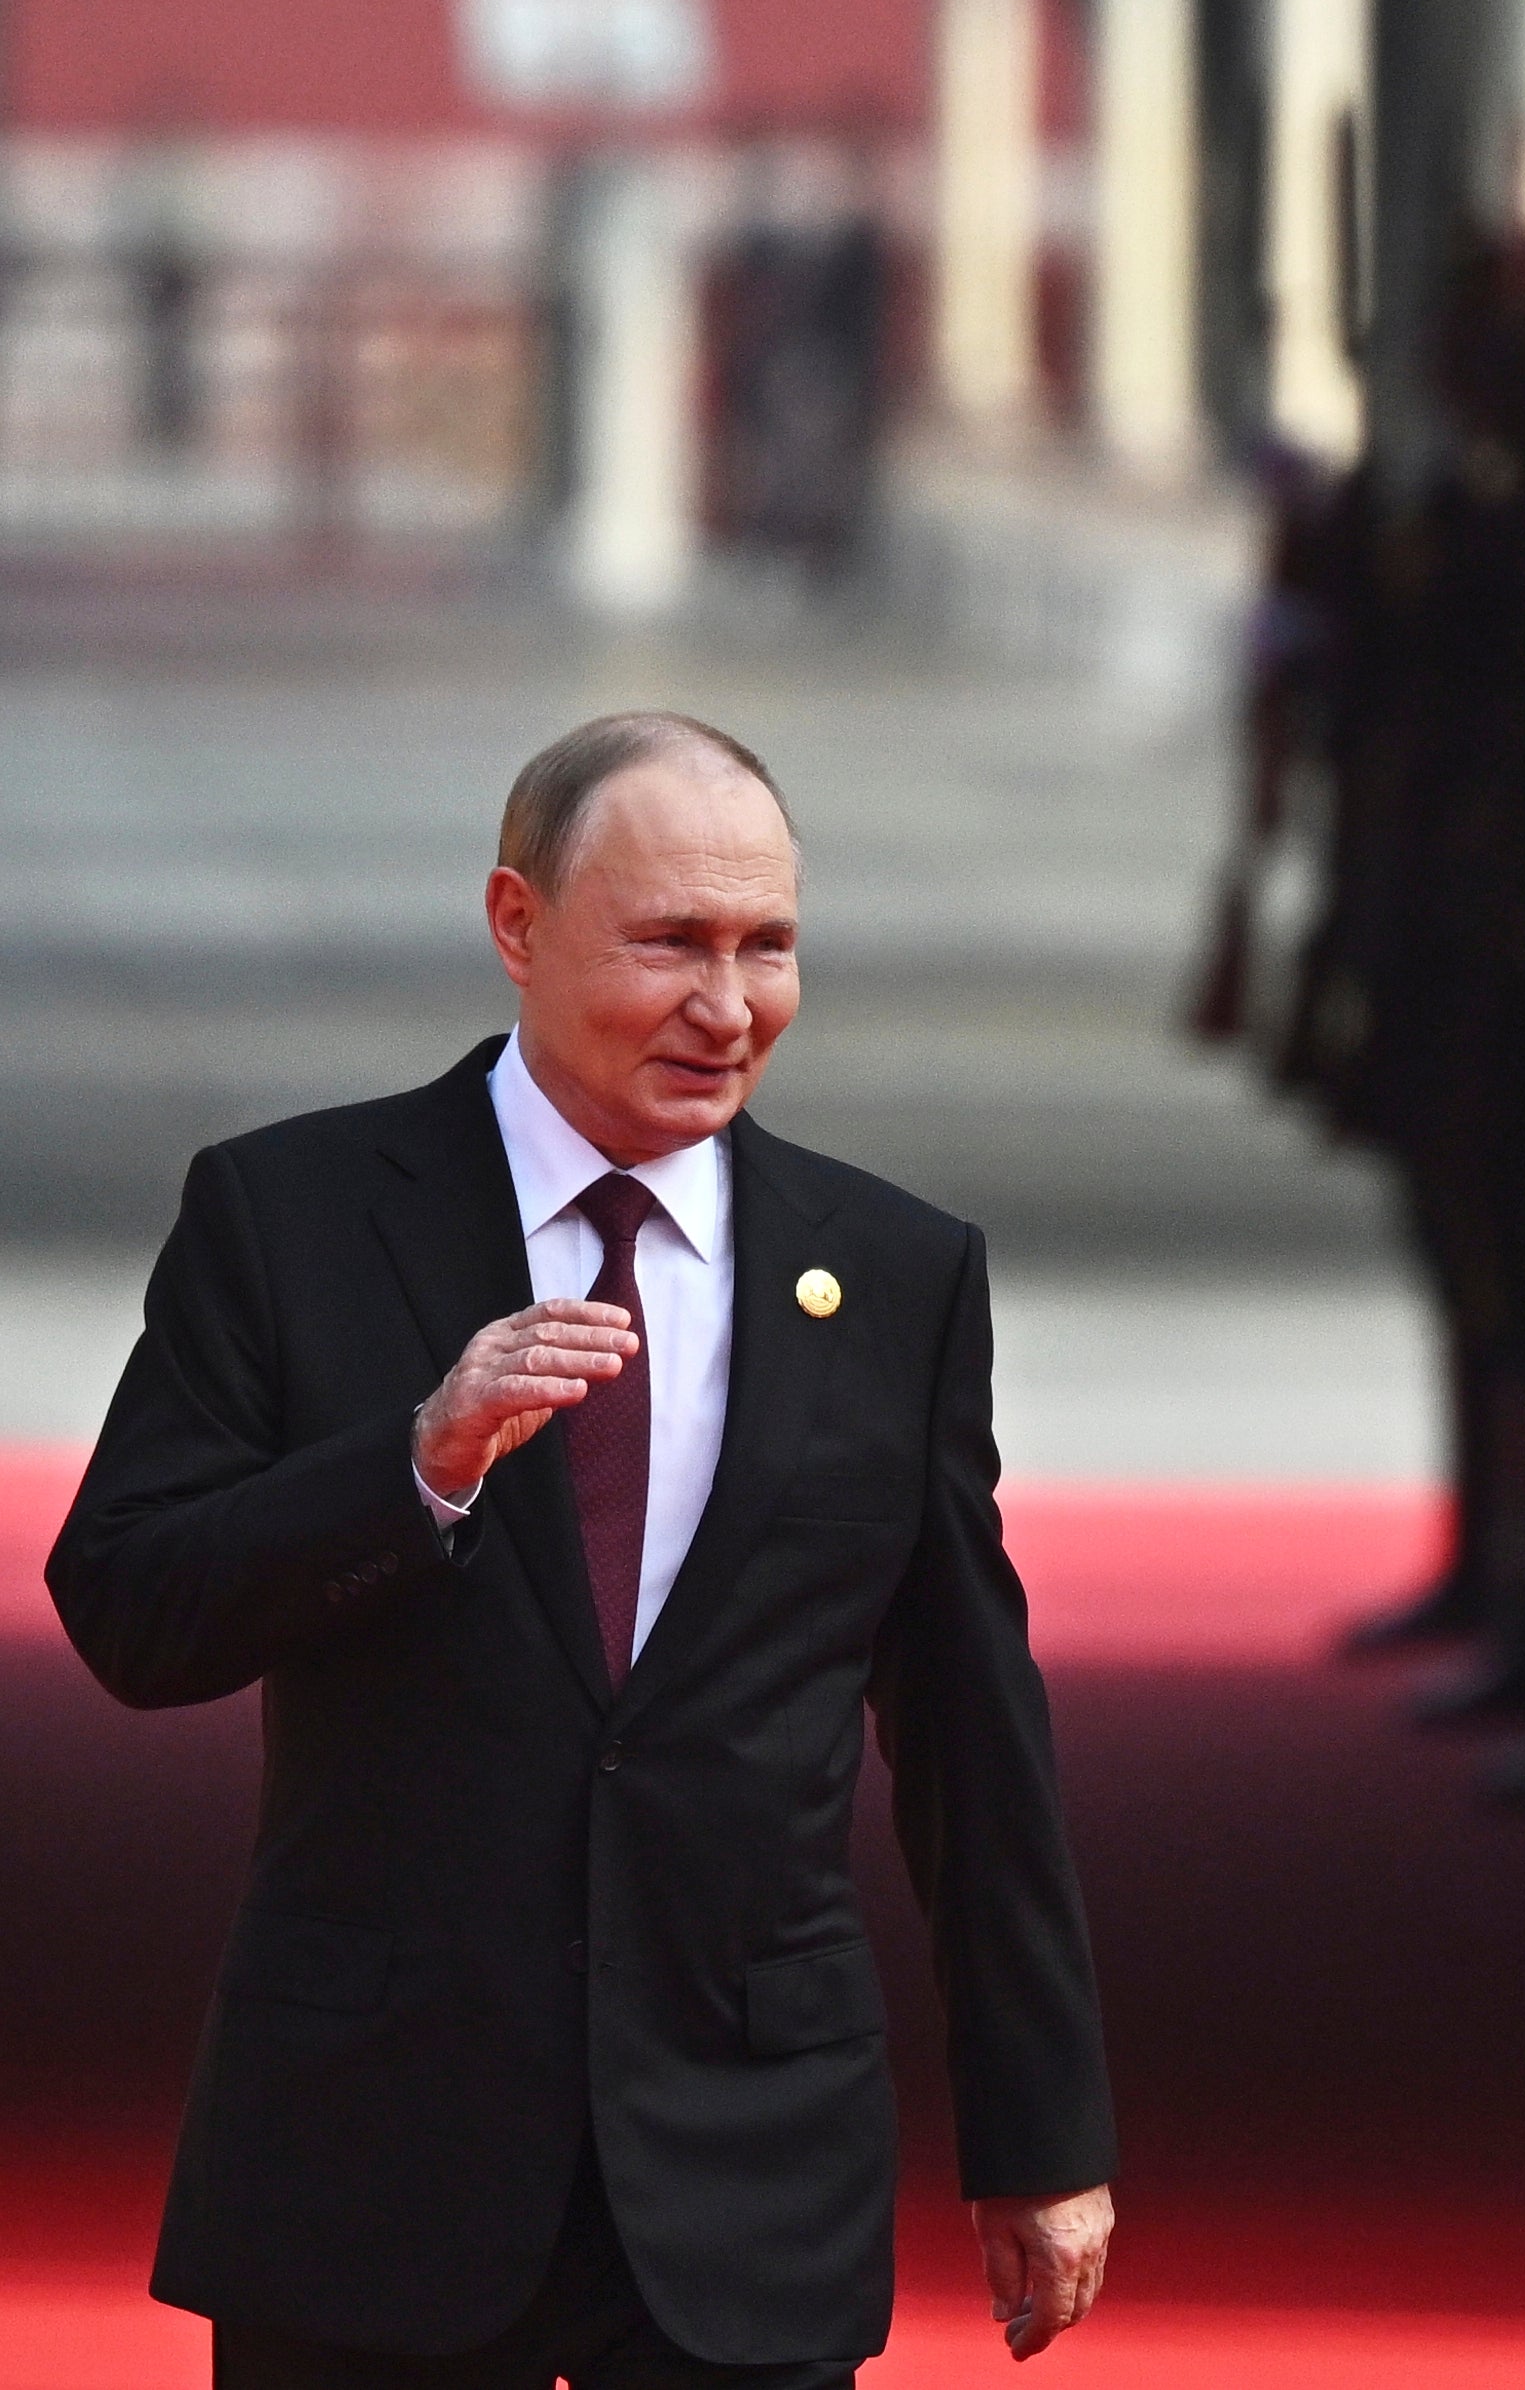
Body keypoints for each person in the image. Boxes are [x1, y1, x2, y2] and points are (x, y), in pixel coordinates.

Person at [49, 714, 1118, 2385]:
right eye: (671, 943)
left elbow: (974, 1736)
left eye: (767, 945)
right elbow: (126, 1599)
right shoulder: (294, 1213)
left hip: (743, 2163)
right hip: (372, 2156)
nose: (728, 1003)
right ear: (516, 925)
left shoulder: (895, 1278)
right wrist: (412, 1466)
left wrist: (1039, 2134)